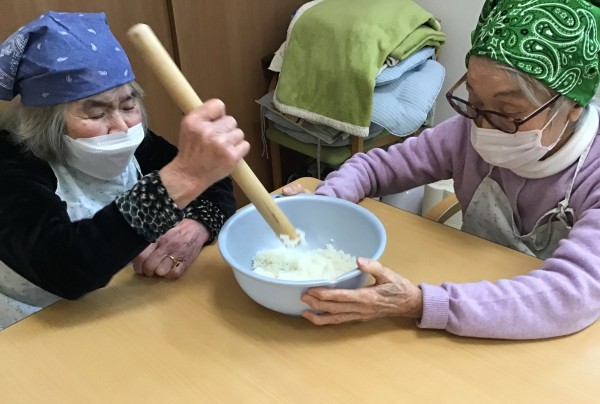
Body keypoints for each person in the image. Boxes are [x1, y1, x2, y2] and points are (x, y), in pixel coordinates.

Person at [283, 0, 600, 339]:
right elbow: (374, 168)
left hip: (558, 335)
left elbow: (573, 293)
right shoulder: (465, 134)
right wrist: (326, 202)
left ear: (572, 108)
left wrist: (421, 303)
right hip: (471, 290)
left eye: (507, 112)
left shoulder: (591, 172)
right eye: (474, 102)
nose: (483, 126)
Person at [0, 12, 249, 329]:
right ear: (46, 122)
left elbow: (214, 184)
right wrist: (181, 178)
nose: (121, 127)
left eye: (129, 106)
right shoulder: (11, 164)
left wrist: (197, 225)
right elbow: (64, 265)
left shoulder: (133, 138)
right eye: (96, 114)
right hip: (37, 325)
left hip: (124, 303)